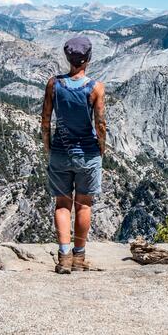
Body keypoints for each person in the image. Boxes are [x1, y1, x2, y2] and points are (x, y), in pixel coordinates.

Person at [41, 35, 106, 274]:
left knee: (62, 204)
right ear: (88, 58)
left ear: (68, 58)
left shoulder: (54, 84)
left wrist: (47, 144)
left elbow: (46, 119)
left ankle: (64, 257)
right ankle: (79, 257)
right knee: (84, 205)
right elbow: (100, 122)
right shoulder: (96, 87)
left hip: (60, 151)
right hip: (88, 153)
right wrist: (102, 146)